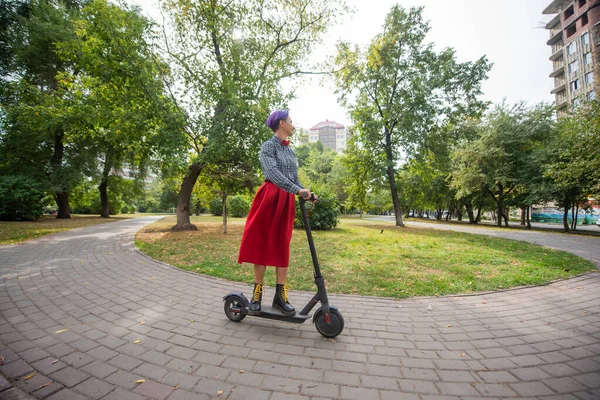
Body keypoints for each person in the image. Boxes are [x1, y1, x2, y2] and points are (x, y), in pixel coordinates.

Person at [237, 110, 316, 316]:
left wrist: (306, 192)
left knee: (282, 245)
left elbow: (293, 179)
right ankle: (257, 294)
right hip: (270, 197)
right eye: (291, 121)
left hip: (286, 200)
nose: (293, 124)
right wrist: (296, 190)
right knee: (262, 243)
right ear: (282, 124)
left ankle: (281, 297)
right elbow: (273, 173)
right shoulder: (267, 147)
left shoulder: (290, 151)